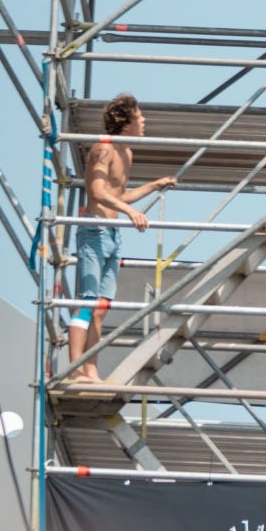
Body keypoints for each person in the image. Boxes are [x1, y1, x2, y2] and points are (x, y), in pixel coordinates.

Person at [63, 93, 175, 384]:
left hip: (112, 234)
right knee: (87, 302)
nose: (144, 121)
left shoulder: (126, 154)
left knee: (101, 307)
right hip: (94, 230)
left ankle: (90, 369)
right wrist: (130, 212)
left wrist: (154, 185)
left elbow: (119, 195)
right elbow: (98, 192)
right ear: (126, 124)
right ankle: (74, 369)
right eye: (139, 117)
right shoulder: (103, 149)